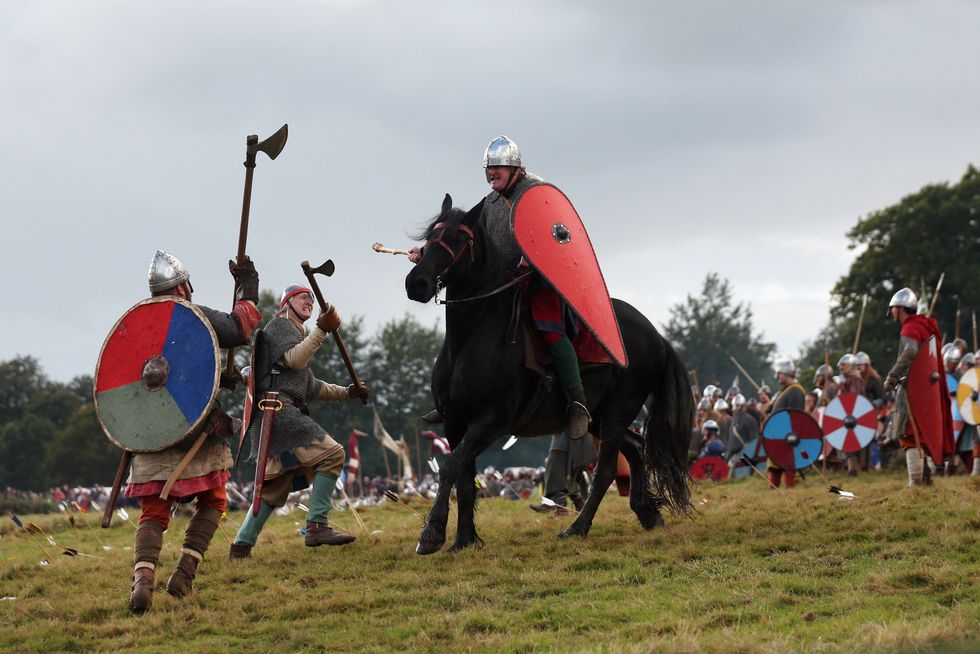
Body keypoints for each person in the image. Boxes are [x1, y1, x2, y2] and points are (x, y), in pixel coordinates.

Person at [410, 136, 590, 439]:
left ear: (515, 169)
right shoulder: (490, 204)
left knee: (549, 330)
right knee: (467, 327)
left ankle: (576, 401)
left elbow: (558, 237)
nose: (493, 174)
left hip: (539, 281)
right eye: (489, 169)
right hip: (502, 283)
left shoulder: (536, 195)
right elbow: (472, 246)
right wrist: (429, 256)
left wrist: (534, 259)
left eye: (499, 168)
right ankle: (451, 398)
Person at [125, 250, 261, 613]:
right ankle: (184, 573)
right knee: (214, 501)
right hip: (196, 431)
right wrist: (247, 283)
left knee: (153, 512)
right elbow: (240, 328)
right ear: (184, 285)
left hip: (151, 434)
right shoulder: (193, 315)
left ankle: (143, 582)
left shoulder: (141, 323)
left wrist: (221, 376)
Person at [228, 284, 369, 559]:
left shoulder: (296, 334)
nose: (310, 301)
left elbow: (311, 387)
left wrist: (348, 393)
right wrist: (322, 331)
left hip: (277, 413)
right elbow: (294, 360)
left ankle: (241, 546)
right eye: (304, 297)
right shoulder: (281, 326)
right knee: (333, 455)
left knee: (273, 488)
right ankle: (317, 525)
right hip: (278, 411)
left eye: (312, 299)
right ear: (287, 303)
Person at [883, 287, 954, 486]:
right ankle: (925, 478)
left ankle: (915, 481)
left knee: (908, 434)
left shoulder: (910, 327)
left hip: (912, 389)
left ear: (900, 309)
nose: (893, 314)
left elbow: (911, 351)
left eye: (894, 309)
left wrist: (892, 375)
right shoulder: (924, 325)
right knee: (919, 434)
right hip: (925, 389)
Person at [529, 431, 595, 515]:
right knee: (560, 474)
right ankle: (578, 503)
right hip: (563, 437)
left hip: (572, 438)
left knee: (556, 471)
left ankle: (561, 507)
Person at [764, 359, 806, 488]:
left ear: (787, 373)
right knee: (775, 464)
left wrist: (791, 434)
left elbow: (796, 415)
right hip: (778, 434)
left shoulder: (796, 390)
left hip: (787, 434)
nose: (777, 377)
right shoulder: (785, 391)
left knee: (787, 463)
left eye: (779, 373)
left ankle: (790, 490)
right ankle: (773, 491)